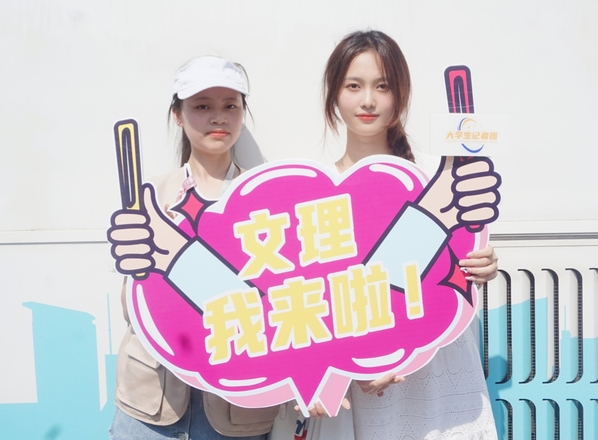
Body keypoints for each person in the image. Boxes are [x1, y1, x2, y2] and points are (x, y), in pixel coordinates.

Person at [269, 30, 499, 440]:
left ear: (401, 94)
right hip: (365, 389)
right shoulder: (317, 193)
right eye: (353, 86)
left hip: (440, 372)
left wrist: (483, 263)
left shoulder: (437, 174)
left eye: (382, 86)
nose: (368, 100)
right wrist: (345, 371)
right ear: (334, 95)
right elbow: (314, 303)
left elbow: (457, 265)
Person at [108, 56, 278, 440]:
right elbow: (132, 306)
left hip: (236, 405)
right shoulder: (150, 197)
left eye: (230, 106)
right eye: (202, 106)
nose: (218, 118)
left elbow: (280, 302)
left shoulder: (266, 200)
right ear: (178, 115)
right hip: (151, 398)